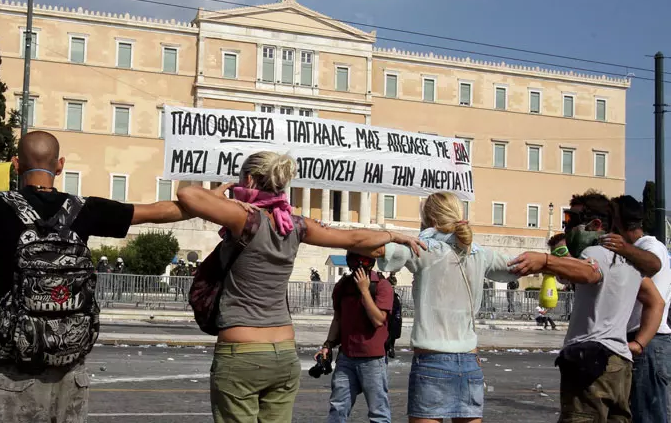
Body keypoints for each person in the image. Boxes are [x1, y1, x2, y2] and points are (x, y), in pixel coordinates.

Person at [176, 151, 424, 423]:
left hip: (242, 350)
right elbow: (352, 237)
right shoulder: (295, 225)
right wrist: (392, 234)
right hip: (283, 351)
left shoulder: (243, 217)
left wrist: (220, 194)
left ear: (248, 179)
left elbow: (187, 195)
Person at [0, 131, 190, 423]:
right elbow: (155, 211)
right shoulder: (84, 208)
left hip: (15, 369)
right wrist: (218, 205)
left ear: (15, 164)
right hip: (70, 367)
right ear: (59, 165)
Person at [356, 191, 522, 423]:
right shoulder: (480, 253)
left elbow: (363, 244)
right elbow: (519, 266)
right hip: (469, 361)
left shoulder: (424, 249)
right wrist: (549, 261)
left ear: (431, 221)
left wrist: (395, 235)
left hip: (432, 361)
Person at [509, 190, 665, 423]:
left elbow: (589, 272)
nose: (568, 228)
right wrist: (639, 344)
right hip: (619, 365)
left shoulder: (595, 254)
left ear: (595, 224)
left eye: (571, 221)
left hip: (591, 362)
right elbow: (656, 302)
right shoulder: (629, 261)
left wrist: (545, 261)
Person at [604, 195, 671, 423]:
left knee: (648, 413)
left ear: (619, 221)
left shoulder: (650, 245)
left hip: (649, 341)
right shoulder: (633, 248)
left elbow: (654, 263)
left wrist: (622, 248)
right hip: (639, 340)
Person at [320, 252, 393, 423]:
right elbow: (338, 318)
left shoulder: (382, 286)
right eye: (354, 260)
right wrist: (328, 344)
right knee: (338, 407)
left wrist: (364, 291)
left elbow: (378, 320)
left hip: (373, 359)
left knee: (378, 411)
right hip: (346, 357)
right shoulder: (343, 286)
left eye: (364, 260)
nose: (359, 264)